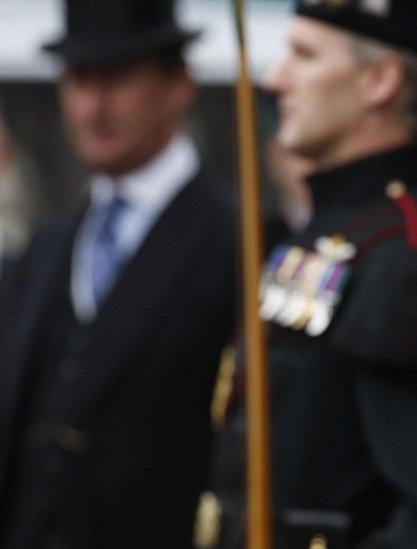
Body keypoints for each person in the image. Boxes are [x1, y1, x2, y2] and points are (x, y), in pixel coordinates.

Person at [204, 1, 417, 548]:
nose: (277, 79)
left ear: (380, 80)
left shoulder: (407, 258)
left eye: (305, 56)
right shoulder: (330, 234)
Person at [0, 0, 237, 547]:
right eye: (79, 81)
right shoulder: (49, 246)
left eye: (117, 80)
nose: (92, 106)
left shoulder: (237, 238)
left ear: (179, 84)